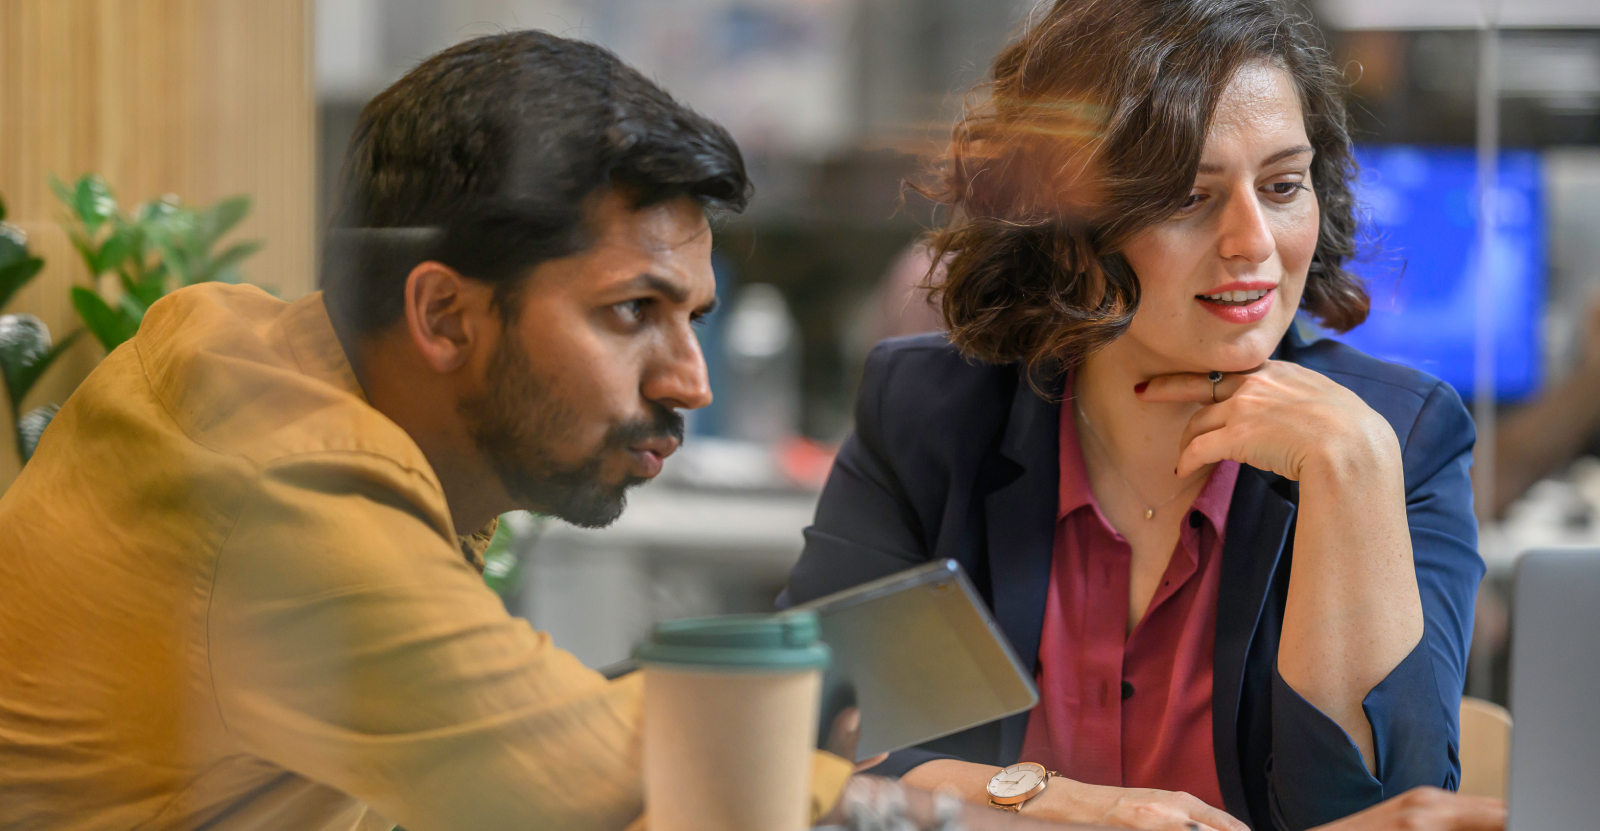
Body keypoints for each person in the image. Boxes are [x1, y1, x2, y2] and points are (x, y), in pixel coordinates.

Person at [0, 31, 866, 831]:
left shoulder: (238, 343)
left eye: (692, 319)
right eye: (633, 310)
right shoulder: (286, 484)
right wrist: (909, 806)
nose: (692, 381)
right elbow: (613, 782)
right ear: (445, 314)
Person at [779, 2, 1483, 830]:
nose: (1253, 240)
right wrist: (1054, 801)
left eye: (1284, 185)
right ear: (1067, 222)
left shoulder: (1399, 438)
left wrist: (1354, 474)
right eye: (1189, 196)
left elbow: (1380, 811)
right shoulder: (934, 415)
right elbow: (816, 743)